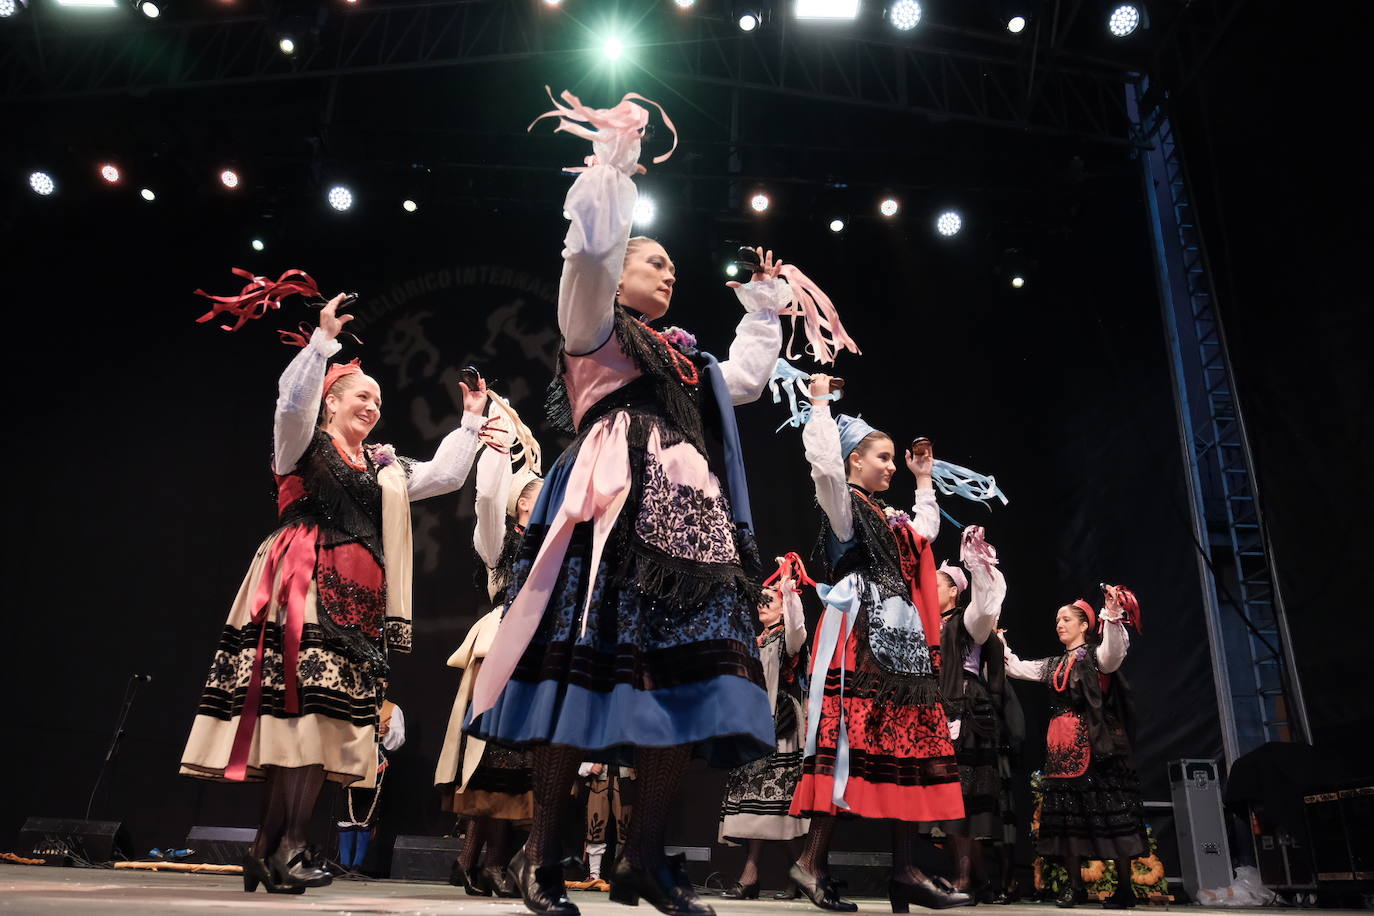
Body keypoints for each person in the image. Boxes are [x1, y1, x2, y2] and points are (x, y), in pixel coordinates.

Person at [467, 90, 804, 916]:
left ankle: (644, 858)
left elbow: (752, 382)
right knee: (573, 684)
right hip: (609, 507)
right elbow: (587, 259)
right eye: (655, 262)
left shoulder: (688, 357)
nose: (670, 272)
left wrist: (763, 310)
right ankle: (541, 861)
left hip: (691, 530)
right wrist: (613, 170)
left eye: (671, 267)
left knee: (688, 687)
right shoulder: (593, 323)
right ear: (620, 269)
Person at [180, 294, 492, 894]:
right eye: (361, 396)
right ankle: (291, 843)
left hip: (359, 600)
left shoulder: (382, 467)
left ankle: (271, 848)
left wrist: (472, 420)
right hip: (303, 581)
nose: (373, 407)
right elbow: (291, 401)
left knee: (324, 726)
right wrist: (321, 346)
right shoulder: (301, 442)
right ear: (332, 401)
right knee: (300, 717)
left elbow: (446, 475)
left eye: (378, 400)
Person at [787, 374, 970, 913]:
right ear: (854, 462)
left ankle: (905, 870)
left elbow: (928, 530)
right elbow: (821, 464)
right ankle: (812, 861)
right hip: (860, 632)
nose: (891, 464)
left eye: (894, 458)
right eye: (884, 457)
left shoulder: (891, 518)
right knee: (850, 738)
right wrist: (820, 404)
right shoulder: (845, 508)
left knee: (905, 743)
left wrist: (922, 479)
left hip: (901, 638)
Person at [436, 393, 543, 898]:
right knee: (494, 757)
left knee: (523, 763)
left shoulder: (557, 546)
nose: (540, 499)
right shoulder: (499, 542)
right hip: (503, 642)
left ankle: (479, 861)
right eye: (531, 494)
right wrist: (498, 452)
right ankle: (484, 861)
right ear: (517, 501)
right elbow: (484, 501)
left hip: (541, 650)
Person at [1002, 586, 1145, 909]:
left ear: (1084, 626)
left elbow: (1114, 653)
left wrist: (1111, 616)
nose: (1059, 624)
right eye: (1057, 620)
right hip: (1062, 750)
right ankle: (1075, 887)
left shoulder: (1096, 658)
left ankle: (1125, 889)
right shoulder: (1054, 664)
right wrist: (999, 643)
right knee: (1068, 820)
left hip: (1097, 747)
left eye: (1066, 619)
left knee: (1109, 813)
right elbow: (1017, 667)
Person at [717, 555, 813, 899]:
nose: (762, 605)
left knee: (776, 806)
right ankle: (761, 873)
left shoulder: (788, 639)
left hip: (779, 726)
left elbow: (798, 629)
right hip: (751, 726)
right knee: (753, 805)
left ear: (783, 608)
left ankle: (788, 873)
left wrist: (789, 592)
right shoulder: (756, 641)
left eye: (769, 601)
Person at [927, 528, 1014, 902]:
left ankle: (965, 880)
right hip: (937, 707)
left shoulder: (965, 621)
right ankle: (978, 881)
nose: (927, 589)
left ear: (952, 592)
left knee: (962, 800)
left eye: (935, 585)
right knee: (950, 800)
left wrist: (978, 567)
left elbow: (984, 611)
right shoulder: (929, 624)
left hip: (963, 708)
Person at [337, 699, 406, 874]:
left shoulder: (392, 709)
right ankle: (344, 863)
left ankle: (358, 865)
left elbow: (398, 740)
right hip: (351, 761)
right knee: (346, 813)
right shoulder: (353, 703)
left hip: (375, 764)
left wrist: (388, 731)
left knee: (367, 814)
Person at [568, 762, 635, 892]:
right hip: (598, 782)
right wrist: (589, 767)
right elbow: (583, 752)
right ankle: (594, 875)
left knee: (625, 831)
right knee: (595, 829)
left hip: (625, 781)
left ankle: (622, 875)